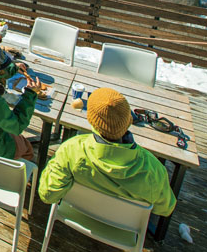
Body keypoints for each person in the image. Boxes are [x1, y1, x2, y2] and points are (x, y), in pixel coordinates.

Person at [37, 87, 176, 216]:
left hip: (75, 214)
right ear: (129, 120)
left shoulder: (71, 150)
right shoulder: (153, 169)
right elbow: (165, 209)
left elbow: (47, 194)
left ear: (92, 120)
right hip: (122, 227)